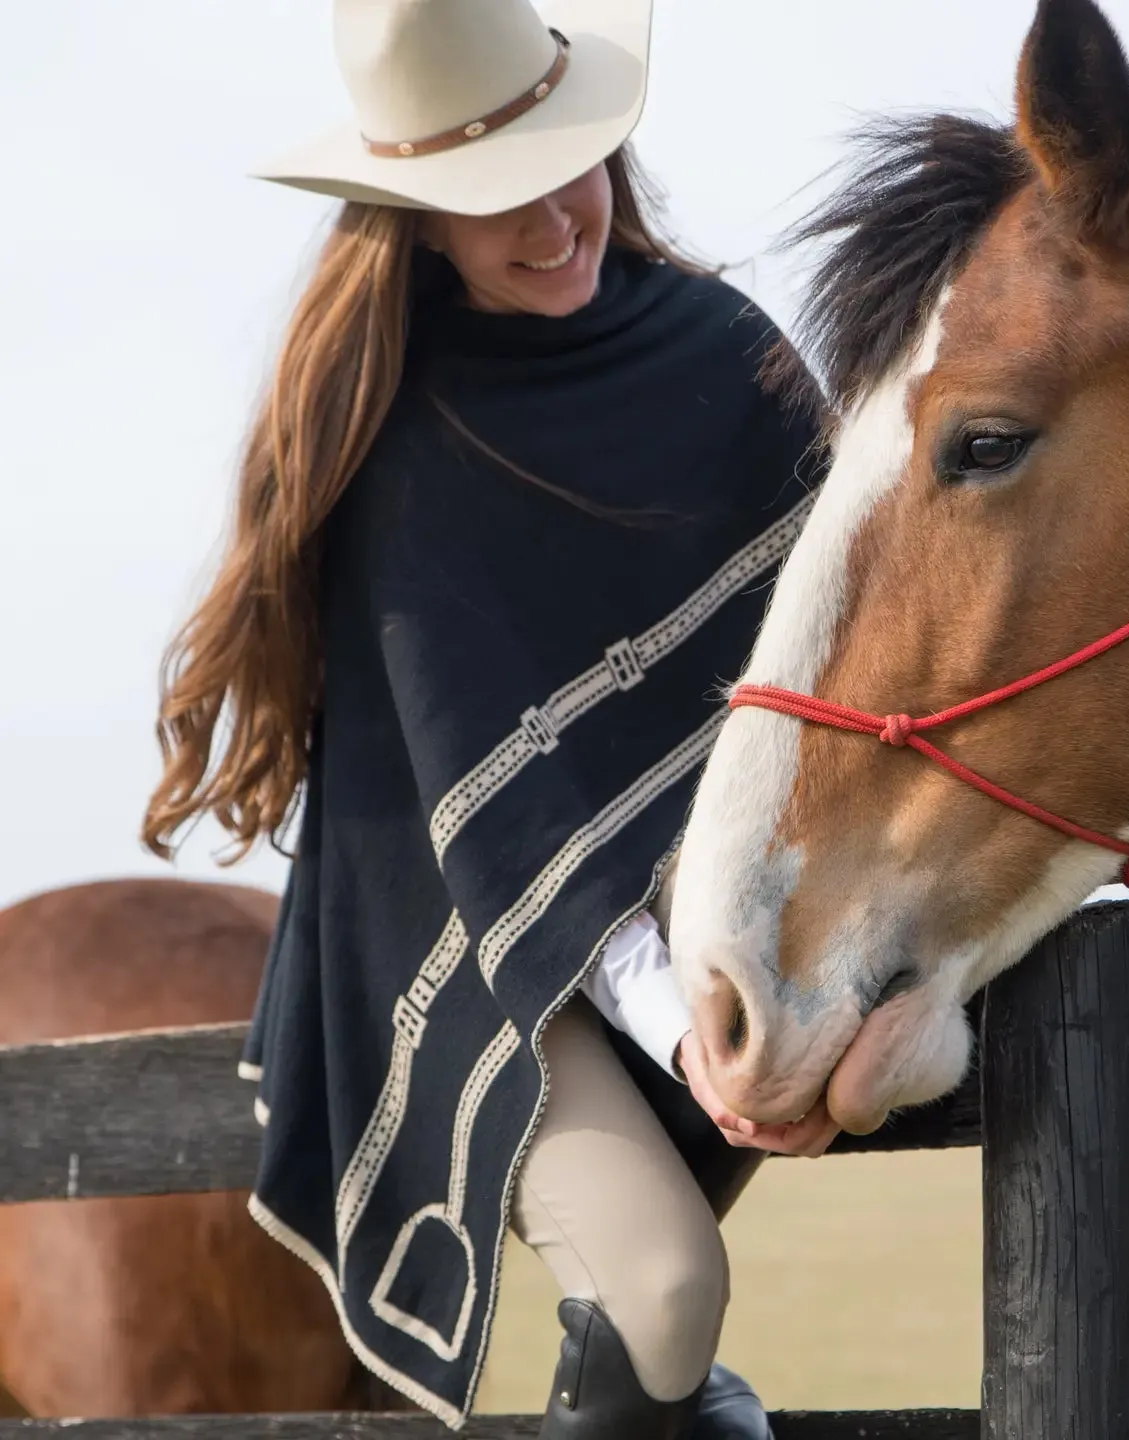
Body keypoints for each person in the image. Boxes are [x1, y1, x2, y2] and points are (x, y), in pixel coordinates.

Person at [140, 1, 838, 1436]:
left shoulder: (725, 347)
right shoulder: (407, 444)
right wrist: (680, 1023)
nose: (545, 223)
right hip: (478, 944)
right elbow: (498, 812)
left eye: (559, 166)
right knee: (659, 1292)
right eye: (485, 201)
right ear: (417, 224)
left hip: (720, 894)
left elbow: (861, 638)